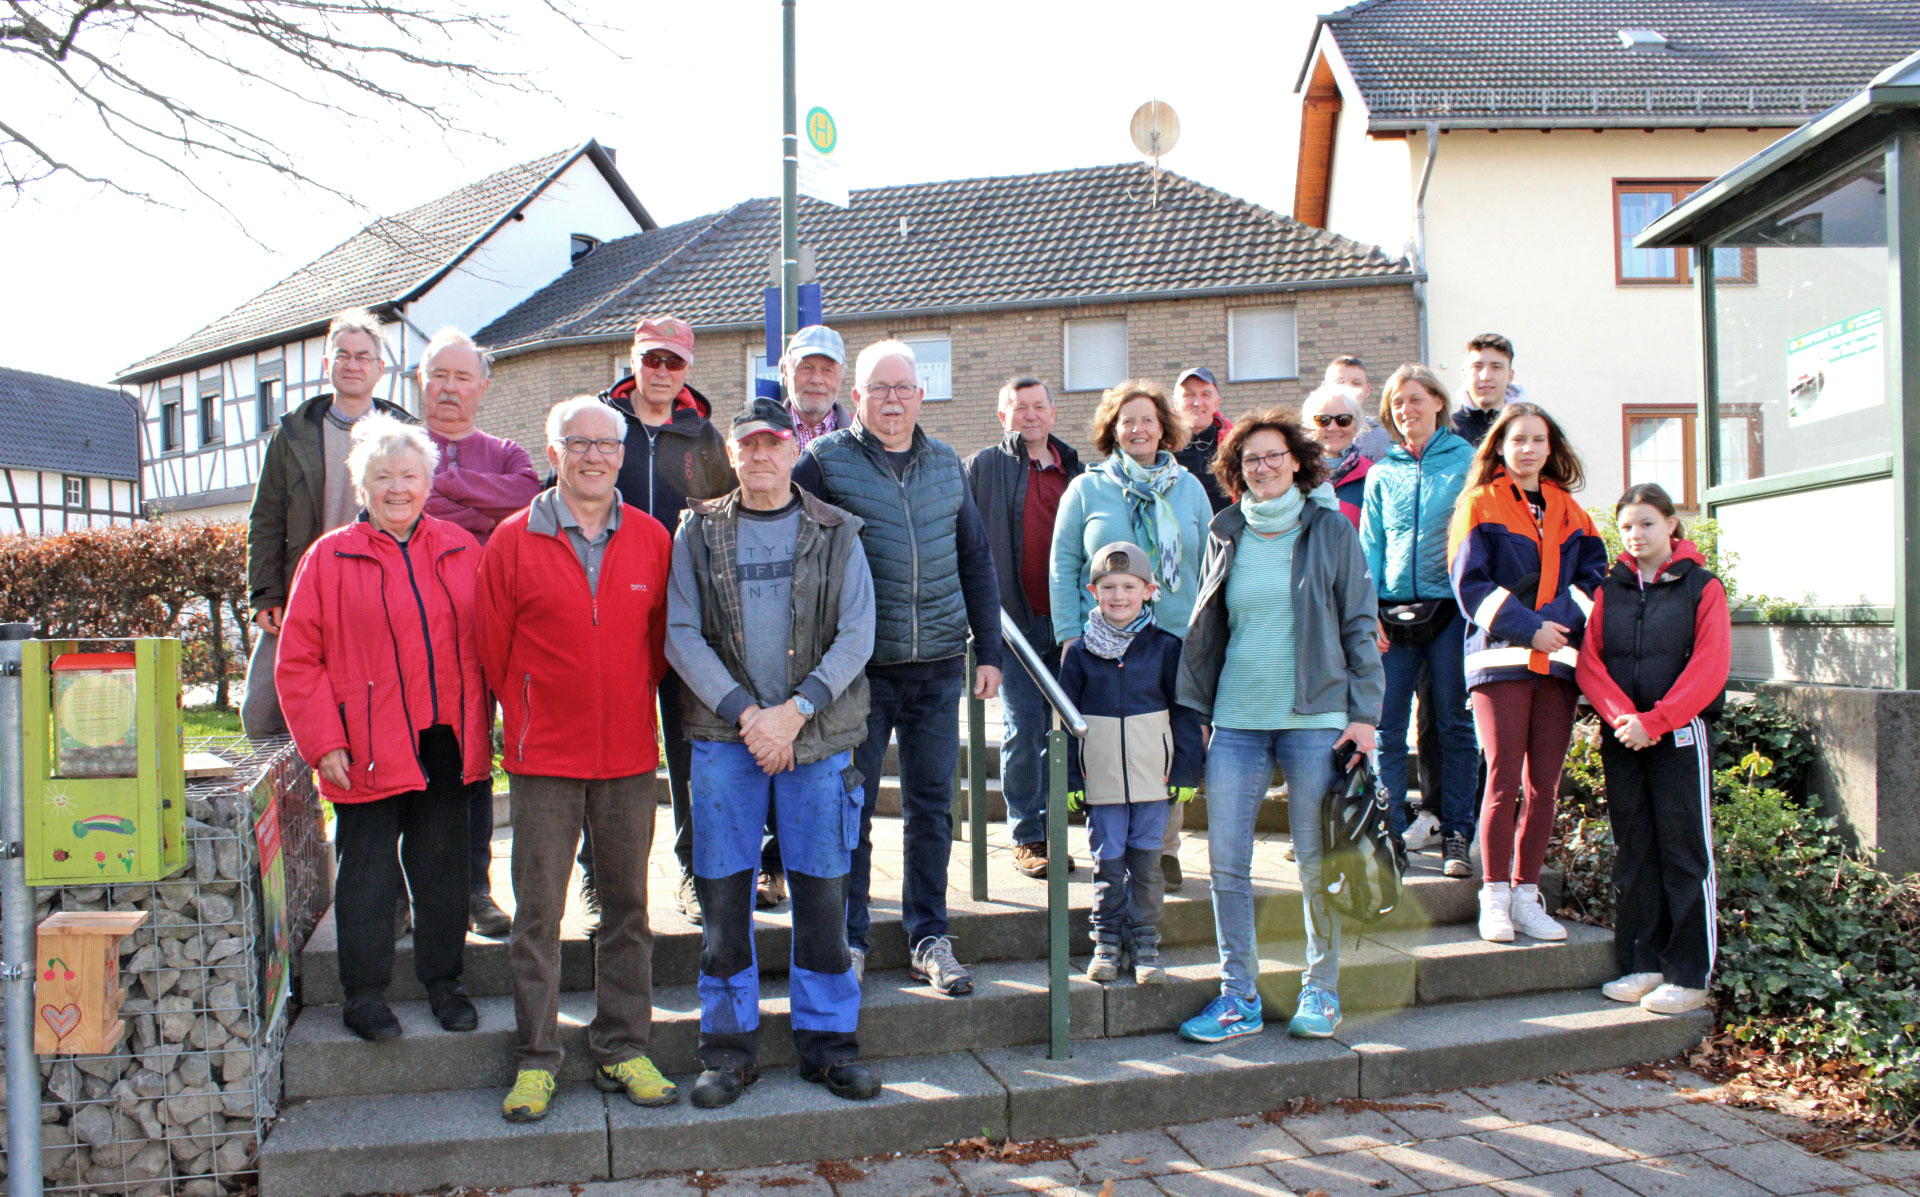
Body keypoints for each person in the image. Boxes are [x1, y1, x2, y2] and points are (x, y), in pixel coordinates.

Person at [666, 397, 880, 1107]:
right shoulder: (697, 532)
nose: (761, 455)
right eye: (748, 444)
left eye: (773, 443)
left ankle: (829, 1045)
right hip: (727, 739)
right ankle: (728, 1049)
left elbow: (858, 633)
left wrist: (795, 713)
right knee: (726, 902)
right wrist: (750, 715)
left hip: (816, 738)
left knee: (822, 896)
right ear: (733, 452)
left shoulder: (836, 530)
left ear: (795, 450)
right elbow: (680, 633)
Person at [477, 396, 677, 1123]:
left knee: (627, 908)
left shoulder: (654, 539)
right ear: (553, 454)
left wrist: (622, 702)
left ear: (622, 455)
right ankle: (536, 1057)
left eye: (606, 443)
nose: (594, 455)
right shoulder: (510, 540)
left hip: (627, 754)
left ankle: (624, 1045)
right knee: (539, 912)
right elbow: (491, 649)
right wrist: (529, 712)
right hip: (544, 759)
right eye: (578, 443)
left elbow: (661, 646)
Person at [792, 339, 1004, 996]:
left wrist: (990, 649)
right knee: (850, 808)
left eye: (902, 387)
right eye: (878, 388)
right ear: (856, 398)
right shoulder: (824, 462)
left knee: (932, 807)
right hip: (859, 672)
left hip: (939, 666)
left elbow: (975, 558)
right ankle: (851, 937)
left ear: (920, 395)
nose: (891, 399)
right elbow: (795, 558)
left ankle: (928, 936)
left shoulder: (945, 464)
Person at [275, 414, 490, 1041]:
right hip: (363, 742)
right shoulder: (328, 557)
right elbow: (299, 661)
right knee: (367, 872)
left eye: (410, 475)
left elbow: (490, 641)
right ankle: (363, 995)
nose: (398, 487)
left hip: (445, 738)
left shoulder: (459, 547)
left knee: (443, 866)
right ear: (361, 485)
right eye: (383, 476)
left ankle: (445, 983)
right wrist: (324, 742)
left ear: (430, 482)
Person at [1175, 408, 1381, 1042]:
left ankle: (1321, 988)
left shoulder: (1330, 530)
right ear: (1235, 474)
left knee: (1318, 860)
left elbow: (1357, 624)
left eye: (1271, 456)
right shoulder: (1225, 529)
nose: (1261, 468)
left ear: (1296, 460)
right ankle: (1239, 995)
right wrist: (1201, 710)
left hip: (1315, 718)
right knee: (1227, 862)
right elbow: (1212, 627)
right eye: (1248, 461)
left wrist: (1365, 715)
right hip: (1237, 719)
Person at [1448, 403, 1607, 944]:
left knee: (1545, 787)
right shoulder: (1479, 503)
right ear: (1500, 446)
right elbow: (1470, 584)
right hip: (1499, 661)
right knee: (1501, 780)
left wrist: (1551, 628)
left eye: (1539, 439)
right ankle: (1493, 896)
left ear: (1551, 447)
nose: (1529, 449)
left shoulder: (1574, 513)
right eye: (1518, 439)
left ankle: (1525, 894)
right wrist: (1526, 628)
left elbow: (1593, 581)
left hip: (1557, 662)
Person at [598, 315, 738, 924]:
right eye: (651, 359)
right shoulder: (601, 426)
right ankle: (603, 885)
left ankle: (693, 874)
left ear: (688, 368)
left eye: (672, 362)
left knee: (691, 756)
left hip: (685, 619)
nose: (660, 372)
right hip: (612, 615)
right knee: (606, 755)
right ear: (633, 359)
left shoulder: (702, 436)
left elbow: (724, 521)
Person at [1050, 379, 1212, 891]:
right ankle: (1112, 849)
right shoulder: (1087, 487)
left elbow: (1211, 563)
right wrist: (1069, 634)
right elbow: (1063, 565)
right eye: (1127, 420)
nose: (1138, 428)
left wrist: (1208, 636)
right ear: (1112, 431)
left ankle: (1162, 848)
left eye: (1147, 419)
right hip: (1101, 641)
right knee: (1113, 741)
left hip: (1176, 634)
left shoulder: (1189, 487)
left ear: (1164, 427)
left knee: (1167, 739)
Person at [1575, 483, 1730, 1017]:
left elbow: (1710, 668)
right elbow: (1590, 662)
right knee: (1634, 849)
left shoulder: (1702, 588)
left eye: (1646, 523)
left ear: (1671, 525)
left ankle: (1689, 974)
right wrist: (1625, 719)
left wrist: (1657, 721)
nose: (1636, 535)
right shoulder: (1608, 590)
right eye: (1626, 526)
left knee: (1684, 852)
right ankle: (1641, 963)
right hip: (1624, 738)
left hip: (1679, 737)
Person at [415, 327, 541, 940]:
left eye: (463, 377)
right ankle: (417, 894)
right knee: (416, 763)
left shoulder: (509, 452)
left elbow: (523, 497)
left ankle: (475, 890)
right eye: (440, 374)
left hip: (495, 635)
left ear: (483, 387)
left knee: (475, 767)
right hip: (415, 639)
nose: (450, 387)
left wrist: (445, 486)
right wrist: (479, 511)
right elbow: (406, 509)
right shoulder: (400, 446)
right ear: (421, 380)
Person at [245, 308, 412, 739]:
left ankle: (358, 803)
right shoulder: (294, 433)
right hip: (304, 592)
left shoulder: (403, 434)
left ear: (379, 368)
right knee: (262, 713)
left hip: (374, 594)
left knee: (368, 719)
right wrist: (266, 593)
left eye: (363, 356)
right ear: (327, 364)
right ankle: (299, 807)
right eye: (342, 355)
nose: (352, 364)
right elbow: (265, 518)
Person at [1060, 542, 1202, 985]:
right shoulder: (1079, 653)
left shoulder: (1165, 648)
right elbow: (1064, 722)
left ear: (1149, 590)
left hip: (1152, 780)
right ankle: (1105, 940)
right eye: (1108, 587)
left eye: (1128, 586)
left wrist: (1185, 771)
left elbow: (1184, 713)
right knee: (1107, 862)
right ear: (1092, 591)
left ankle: (1144, 943)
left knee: (1146, 863)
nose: (1118, 595)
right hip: (1101, 781)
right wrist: (1068, 775)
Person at [963, 376, 1084, 878]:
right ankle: (1027, 836)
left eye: (1039, 406)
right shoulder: (983, 467)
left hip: (1069, 624)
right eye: (1019, 407)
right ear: (1002, 416)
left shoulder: (1076, 469)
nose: (1030, 415)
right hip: (1010, 624)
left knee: (1067, 731)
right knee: (1023, 727)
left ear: (1053, 413)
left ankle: (1060, 829)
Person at [1361, 364, 1478, 877]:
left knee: (1453, 720)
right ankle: (1388, 833)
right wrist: (1369, 612)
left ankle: (1457, 832)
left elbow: (1477, 536)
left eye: (1415, 399)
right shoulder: (1381, 472)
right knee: (1387, 727)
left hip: (1450, 611)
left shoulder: (1466, 461)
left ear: (1436, 402)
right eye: (1397, 403)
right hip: (1392, 614)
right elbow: (1369, 546)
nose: (1406, 410)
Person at [1302, 381, 1373, 527]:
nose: (1332, 428)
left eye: (1343, 420)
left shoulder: (1373, 476)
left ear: (1356, 425)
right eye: (1323, 420)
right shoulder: (1295, 476)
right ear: (1309, 426)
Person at [782, 325, 853, 452]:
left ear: (841, 376)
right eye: (806, 368)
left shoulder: (865, 441)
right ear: (786, 372)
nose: (816, 380)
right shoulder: (757, 437)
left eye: (827, 370)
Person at [1171, 367, 1233, 513]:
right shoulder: (1160, 445)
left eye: (1205, 395)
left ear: (1216, 402)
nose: (1197, 403)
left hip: (1228, 532)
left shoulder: (1235, 443)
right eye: (1189, 395)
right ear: (1176, 403)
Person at [1453, 334, 1526, 447]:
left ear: (1510, 376)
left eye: (1496, 367)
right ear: (1464, 374)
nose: (1485, 377)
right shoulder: (1445, 432)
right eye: (1477, 366)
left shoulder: (1530, 429)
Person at [1321, 356, 1394, 461]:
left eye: (1356, 383)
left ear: (1367, 390)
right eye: (1340, 382)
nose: (1348, 389)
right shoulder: (1310, 438)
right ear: (1324, 387)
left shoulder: (1385, 441)